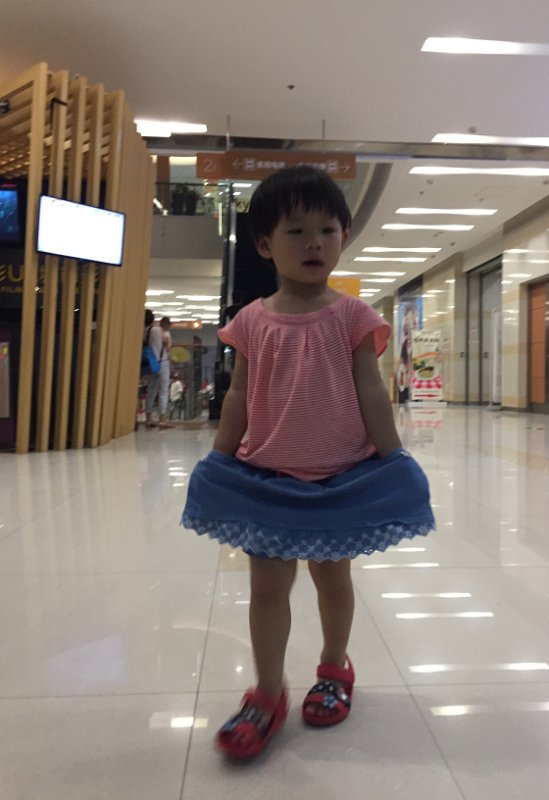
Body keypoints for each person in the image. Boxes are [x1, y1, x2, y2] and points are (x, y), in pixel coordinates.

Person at [181, 165, 435, 760]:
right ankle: (268, 693)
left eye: (328, 229)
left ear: (343, 236)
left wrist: (393, 457)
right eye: (296, 231)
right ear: (265, 244)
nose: (315, 242)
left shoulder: (353, 317)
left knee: (332, 578)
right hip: (267, 478)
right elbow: (240, 395)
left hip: (338, 478)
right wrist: (220, 460)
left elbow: (371, 390)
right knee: (268, 588)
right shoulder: (251, 320)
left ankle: (334, 667)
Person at [143, 310, 172, 429]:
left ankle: (148, 418)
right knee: (163, 391)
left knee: (151, 390)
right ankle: (162, 419)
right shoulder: (158, 330)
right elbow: (167, 345)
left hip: (151, 363)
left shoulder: (144, 331)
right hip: (162, 362)